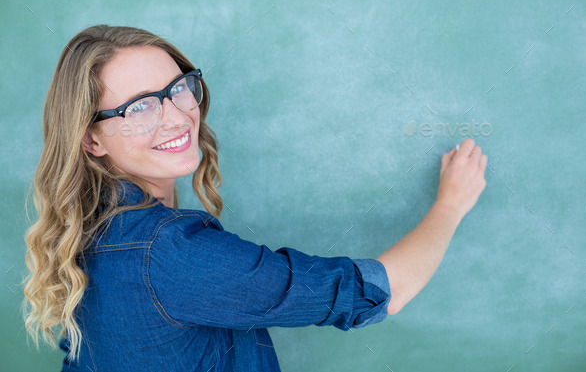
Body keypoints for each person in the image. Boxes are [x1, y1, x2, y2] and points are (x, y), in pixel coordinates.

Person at [22, 24, 487, 371]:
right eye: (138, 107)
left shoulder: (83, 230)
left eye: (177, 88)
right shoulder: (172, 253)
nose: (176, 116)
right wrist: (450, 205)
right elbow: (379, 293)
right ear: (92, 140)